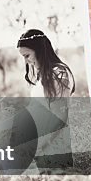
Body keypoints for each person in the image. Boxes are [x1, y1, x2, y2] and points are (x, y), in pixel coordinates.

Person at [16, 29, 75, 172]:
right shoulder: (41, 76)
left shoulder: (58, 73)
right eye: (23, 57)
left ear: (40, 50)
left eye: (27, 55)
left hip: (55, 145)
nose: (27, 61)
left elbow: (60, 116)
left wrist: (41, 145)